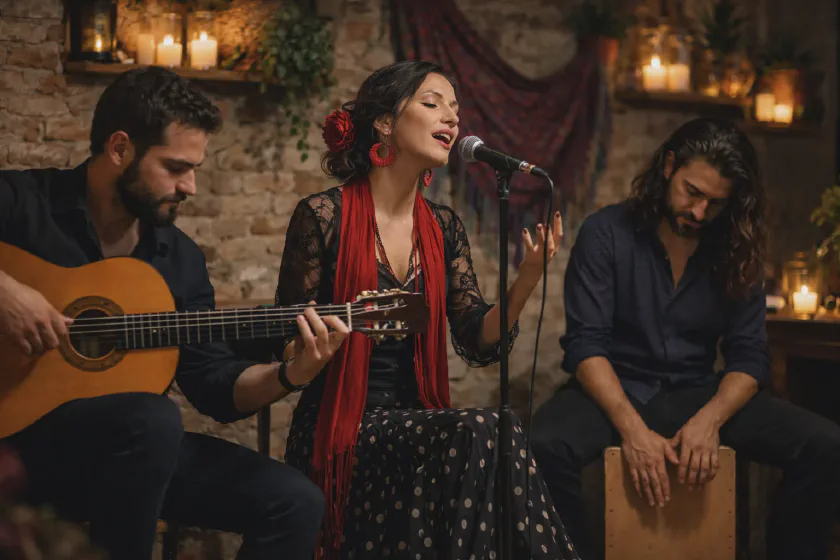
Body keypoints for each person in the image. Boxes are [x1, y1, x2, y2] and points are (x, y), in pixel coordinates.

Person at [0, 67, 325, 560]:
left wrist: (291, 372)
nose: (190, 186)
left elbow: (214, 385)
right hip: (20, 446)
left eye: (194, 168)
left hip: (132, 458)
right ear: (119, 149)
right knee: (151, 417)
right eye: (175, 168)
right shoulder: (23, 204)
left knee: (294, 501)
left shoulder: (180, 259)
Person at [269, 60, 578, 559]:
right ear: (385, 122)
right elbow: (285, 338)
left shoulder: (443, 226)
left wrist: (527, 278)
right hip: (341, 424)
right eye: (433, 103)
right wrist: (311, 349)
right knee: (487, 428)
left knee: (492, 428)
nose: (452, 119)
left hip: (418, 422)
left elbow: (479, 338)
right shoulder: (323, 216)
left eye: (455, 108)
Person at [530, 117, 840, 560]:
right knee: (543, 445)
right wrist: (633, 432)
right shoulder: (606, 232)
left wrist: (709, 421)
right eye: (692, 192)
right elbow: (586, 346)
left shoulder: (735, 244)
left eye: (715, 203)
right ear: (669, 166)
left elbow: (749, 355)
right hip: (615, 388)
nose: (698, 212)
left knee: (824, 445)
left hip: (696, 391)